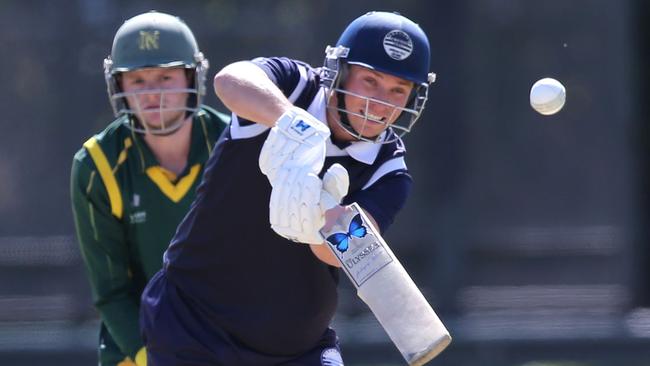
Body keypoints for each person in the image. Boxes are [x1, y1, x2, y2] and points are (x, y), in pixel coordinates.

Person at [140, 11, 435, 366]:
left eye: (397, 90)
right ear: (339, 71)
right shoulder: (294, 86)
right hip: (193, 323)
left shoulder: (389, 169)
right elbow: (230, 80)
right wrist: (292, 124)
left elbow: (344, 251)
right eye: (370, 81)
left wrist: (317, 218)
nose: (380, 102)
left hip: (295, 348)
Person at [70, 11, 229, 366]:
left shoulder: (235, 144)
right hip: (140, 351)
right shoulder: (96, 166)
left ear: (192, 75)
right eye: (137, 80)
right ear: (118, 85)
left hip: (230, 341)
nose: (152, 93)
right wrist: (155, 358)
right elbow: (112, 292)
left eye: (165, 77)